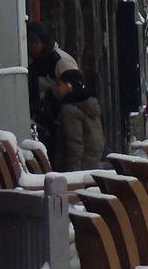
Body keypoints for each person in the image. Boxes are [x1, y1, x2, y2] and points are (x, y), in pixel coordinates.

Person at [27, 22, 79, 154]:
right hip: (45, 126)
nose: (28, 50)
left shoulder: (61, 61)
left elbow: (75, 96)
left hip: (60, 128)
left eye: (29, 44)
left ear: (38, 43)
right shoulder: (38, 63)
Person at [52, 69, 104, 172]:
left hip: (80, 167)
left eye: (59, 84)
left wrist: (73, 173)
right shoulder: (89, 104)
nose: (57, 88)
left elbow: (74, 144)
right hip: (93, 163)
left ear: (69, 85)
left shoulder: (69, 109)